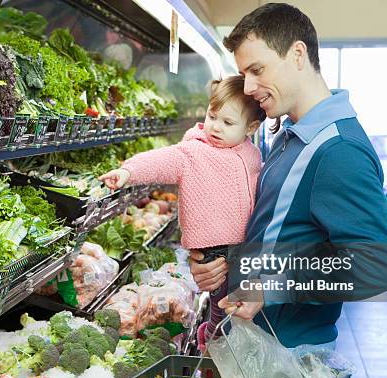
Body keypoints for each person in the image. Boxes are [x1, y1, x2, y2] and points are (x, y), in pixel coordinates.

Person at [190, 3, 387, 351]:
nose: (247, 87)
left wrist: (270, 286)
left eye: (257, 70)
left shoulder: (337, 150)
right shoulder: (292, 133)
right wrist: (225, 259)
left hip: (288, 362)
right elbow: (281, 229)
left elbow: (379, 264)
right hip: (253, 348)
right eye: (244, 74)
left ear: (298, 54)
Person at [99, 76, 265, 350]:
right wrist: (128, 171)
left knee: (237, 307)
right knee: (222, 306)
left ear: (252, 127)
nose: (216, 127)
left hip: (244, 247)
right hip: (213, 249)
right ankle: (210, 342)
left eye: (228, 123)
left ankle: (217, 339)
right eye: (212, 117)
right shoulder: (193, 152)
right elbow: (161, 160)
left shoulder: (251, 153)